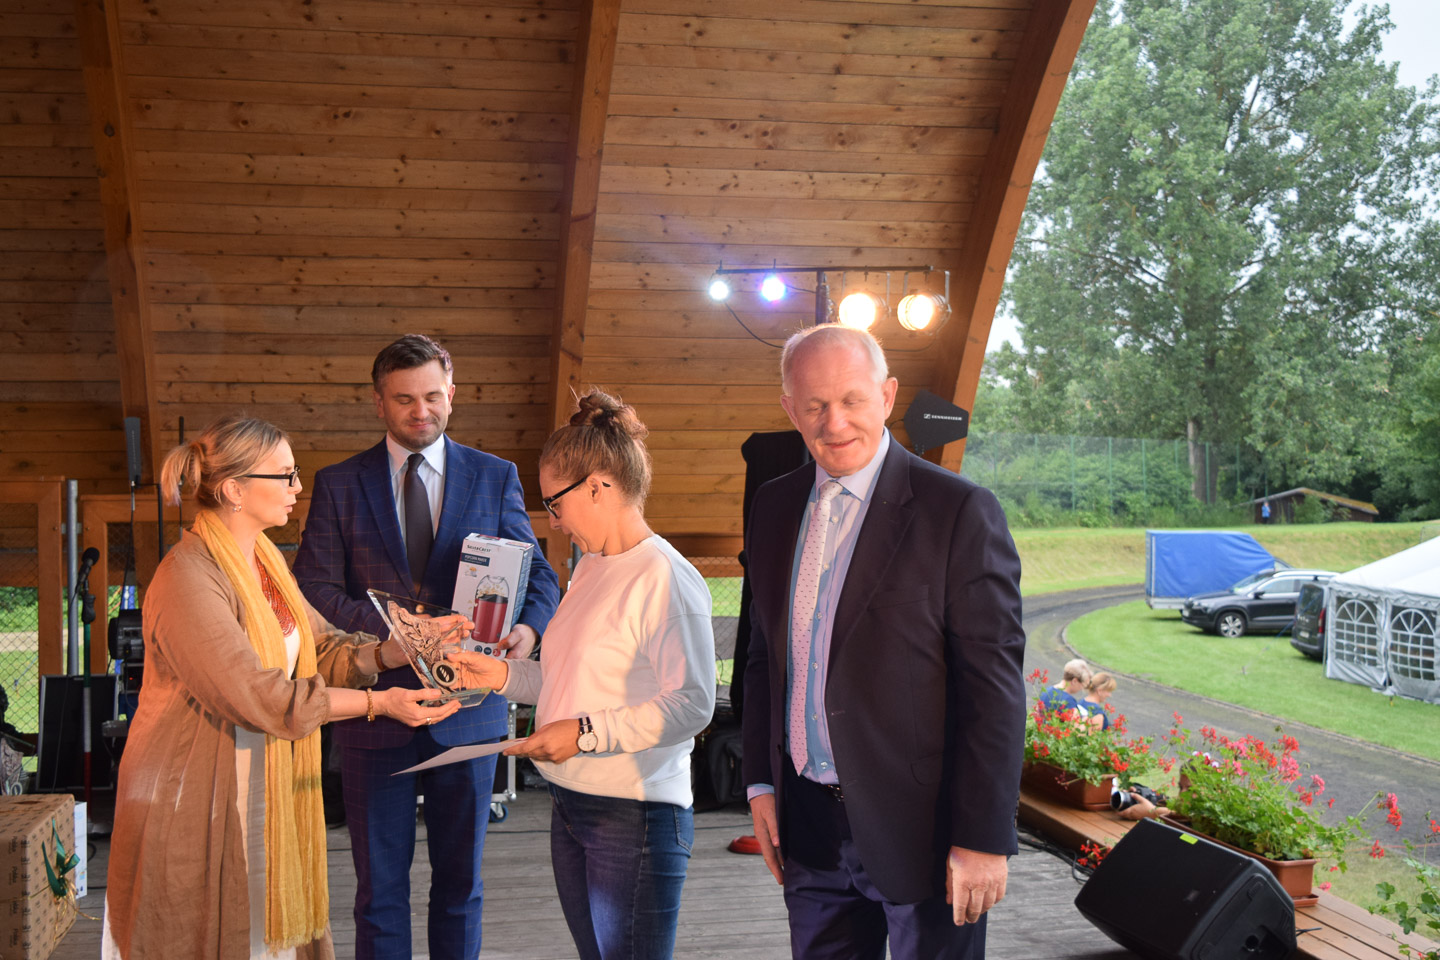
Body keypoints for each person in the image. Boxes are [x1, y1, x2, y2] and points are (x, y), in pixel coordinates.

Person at [104, 416, 457, 960]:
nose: (297, 487)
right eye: (285, 475)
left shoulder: (266, 562)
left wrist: (397, 650)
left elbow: (320, 649)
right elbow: (260, 696)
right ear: (234, 490)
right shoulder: (187, 576)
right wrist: (379, 703)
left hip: (264, 785)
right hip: (198, 795)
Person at [741, 325, 1027, 960]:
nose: (834, 422)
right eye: (814, 405)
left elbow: (994, 691)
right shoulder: (773, 506)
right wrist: (761, 782)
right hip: (807, 824)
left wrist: (983, 838)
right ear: (790, 408)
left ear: (888, 395)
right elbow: (764, 657)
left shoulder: (958, 511)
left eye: (852, 400)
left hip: (924, 831)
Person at [292, 334, 560, 960]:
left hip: (471, 711)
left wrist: (527, 630)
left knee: (461, 887)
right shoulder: (338, 484)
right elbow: (315, 587)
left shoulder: (495, 476)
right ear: (378, 402)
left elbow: (538, 575)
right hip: (372, 710)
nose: (421, 411)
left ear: (452, 394)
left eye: (433, 397)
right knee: (378, 892)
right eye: (404, 399)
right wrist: (397, 631)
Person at [447, 390, 716, 960]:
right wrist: (499, 674)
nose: (552, 520)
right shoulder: (592, 565)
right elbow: (565, 681)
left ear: (598, 486)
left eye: (555, 502)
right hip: (571, 803)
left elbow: (693, 704)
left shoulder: (664, 576)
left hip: (634, 815)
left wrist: (585, 733)